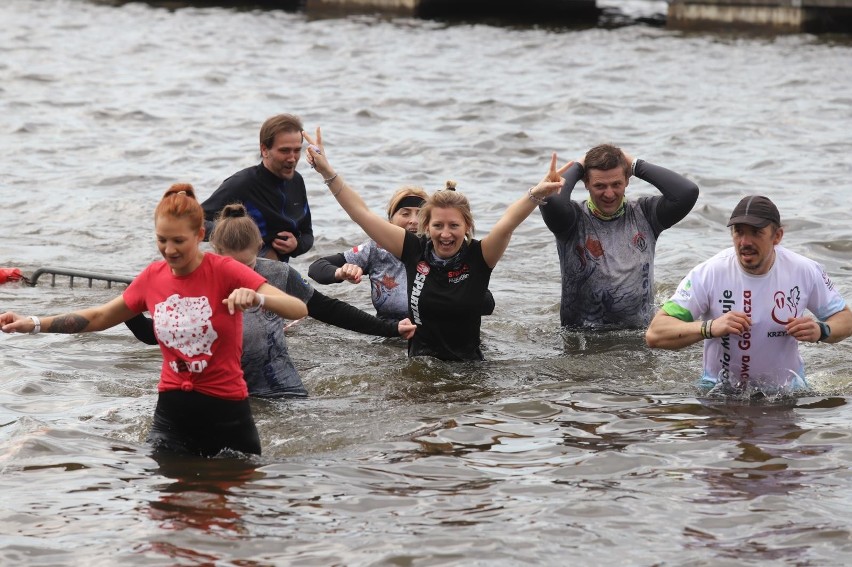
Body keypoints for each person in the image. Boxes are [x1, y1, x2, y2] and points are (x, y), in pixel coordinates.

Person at [1, 185, 309, 457]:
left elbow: (297, 309)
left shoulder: (226, 270)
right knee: (163, 511)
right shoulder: (152, 277)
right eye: (162, 240)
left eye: (178, 241)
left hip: (227, 415)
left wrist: (258, 298)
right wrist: (34, 323)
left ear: (200, 235)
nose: (169, 250)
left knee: (229, 512)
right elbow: (99, 317)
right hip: (172, 414)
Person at [304, 127, 571, 361]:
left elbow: (508, 222)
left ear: (467, 227)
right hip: (419, 365)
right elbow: (361, 214)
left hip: (469, 371)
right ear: (426, 227)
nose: (445, 234)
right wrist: (327, 171)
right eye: (438, 226)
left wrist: (537, 193)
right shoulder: (413, 249)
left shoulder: (481, 255)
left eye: (454, 226)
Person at [126, 203, 416, 398]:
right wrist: (127, 309)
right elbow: (157, 335)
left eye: (248, 265)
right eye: (232, 266)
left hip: (278, 385)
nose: (240, 274)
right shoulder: (199, 279)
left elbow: (329, 310)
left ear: (259, 248)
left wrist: (390, 329)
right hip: (221, 389)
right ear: (215, 251)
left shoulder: (277, 273)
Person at [645, 195, 852, 394]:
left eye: (756, 232)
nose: (744, 241)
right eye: (738, 231)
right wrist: (709, 328)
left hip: (786, 393)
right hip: (719, 393)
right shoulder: (709, 273)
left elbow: (846, 319)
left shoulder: (804, 270)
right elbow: (655, 334)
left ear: (777, 236)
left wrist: (821, 330)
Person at [539, 144, 699, 330]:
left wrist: (634, 165)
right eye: (599, 185)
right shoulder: (570, 221)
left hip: (639, 335)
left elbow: (687, 192)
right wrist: (580, 165)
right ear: (586, 183)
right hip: (583, 336)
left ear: (627, 181)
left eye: (616, 184)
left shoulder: (646, 214)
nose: (609, 194)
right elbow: (551, 199)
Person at [308, 184, 495, 321]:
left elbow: (487, 305)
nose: (414, 221)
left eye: (420, 215)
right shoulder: (376, 249)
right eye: (405, 214)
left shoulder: (443, 251)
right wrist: (340, 272)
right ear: (389, 221)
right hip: (389, 335)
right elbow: (317, 268)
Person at [201, 113, 313, 262]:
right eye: (285, 151)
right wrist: (239, 234)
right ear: (264, 150)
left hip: (279, 270)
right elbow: (193, 223)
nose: (292, 158)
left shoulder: (297, 181)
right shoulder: (242, 183)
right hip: (244, 267)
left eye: (297, 150)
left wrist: (296, 245)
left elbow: (307, 234)